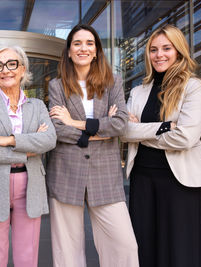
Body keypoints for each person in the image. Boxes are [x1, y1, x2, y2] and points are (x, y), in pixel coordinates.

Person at [47, 24, 139, 267]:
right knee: (67, 252)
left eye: (89, 43)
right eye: (77, 43)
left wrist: (74, 122)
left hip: (106, 175)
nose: (83, 48)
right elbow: (56, 128)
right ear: (68, 51)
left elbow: (119, 125)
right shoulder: (57, 85)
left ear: (97, 50)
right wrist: (100, 130)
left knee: (125, 246)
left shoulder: (113, 83)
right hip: (66, 174)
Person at [121, 24, 201, 267]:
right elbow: (124, 131)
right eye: (153, 49)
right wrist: (164, 126)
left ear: (179, 51)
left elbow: (186, 138)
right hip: (142, 179)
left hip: (179, 180)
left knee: (180, 250)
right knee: (144, 247)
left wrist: (141, 132)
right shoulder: (138, 91)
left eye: (166, 48)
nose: (159, 55)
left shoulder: (195, 86)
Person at [0, 45, 56, 267]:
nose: (5, 70)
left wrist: (7, 139)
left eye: (11, 64)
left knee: (27, 255)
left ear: (22, 69)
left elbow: (50, 140)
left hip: (30, 183)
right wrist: (30, 149)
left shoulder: (37, 105)